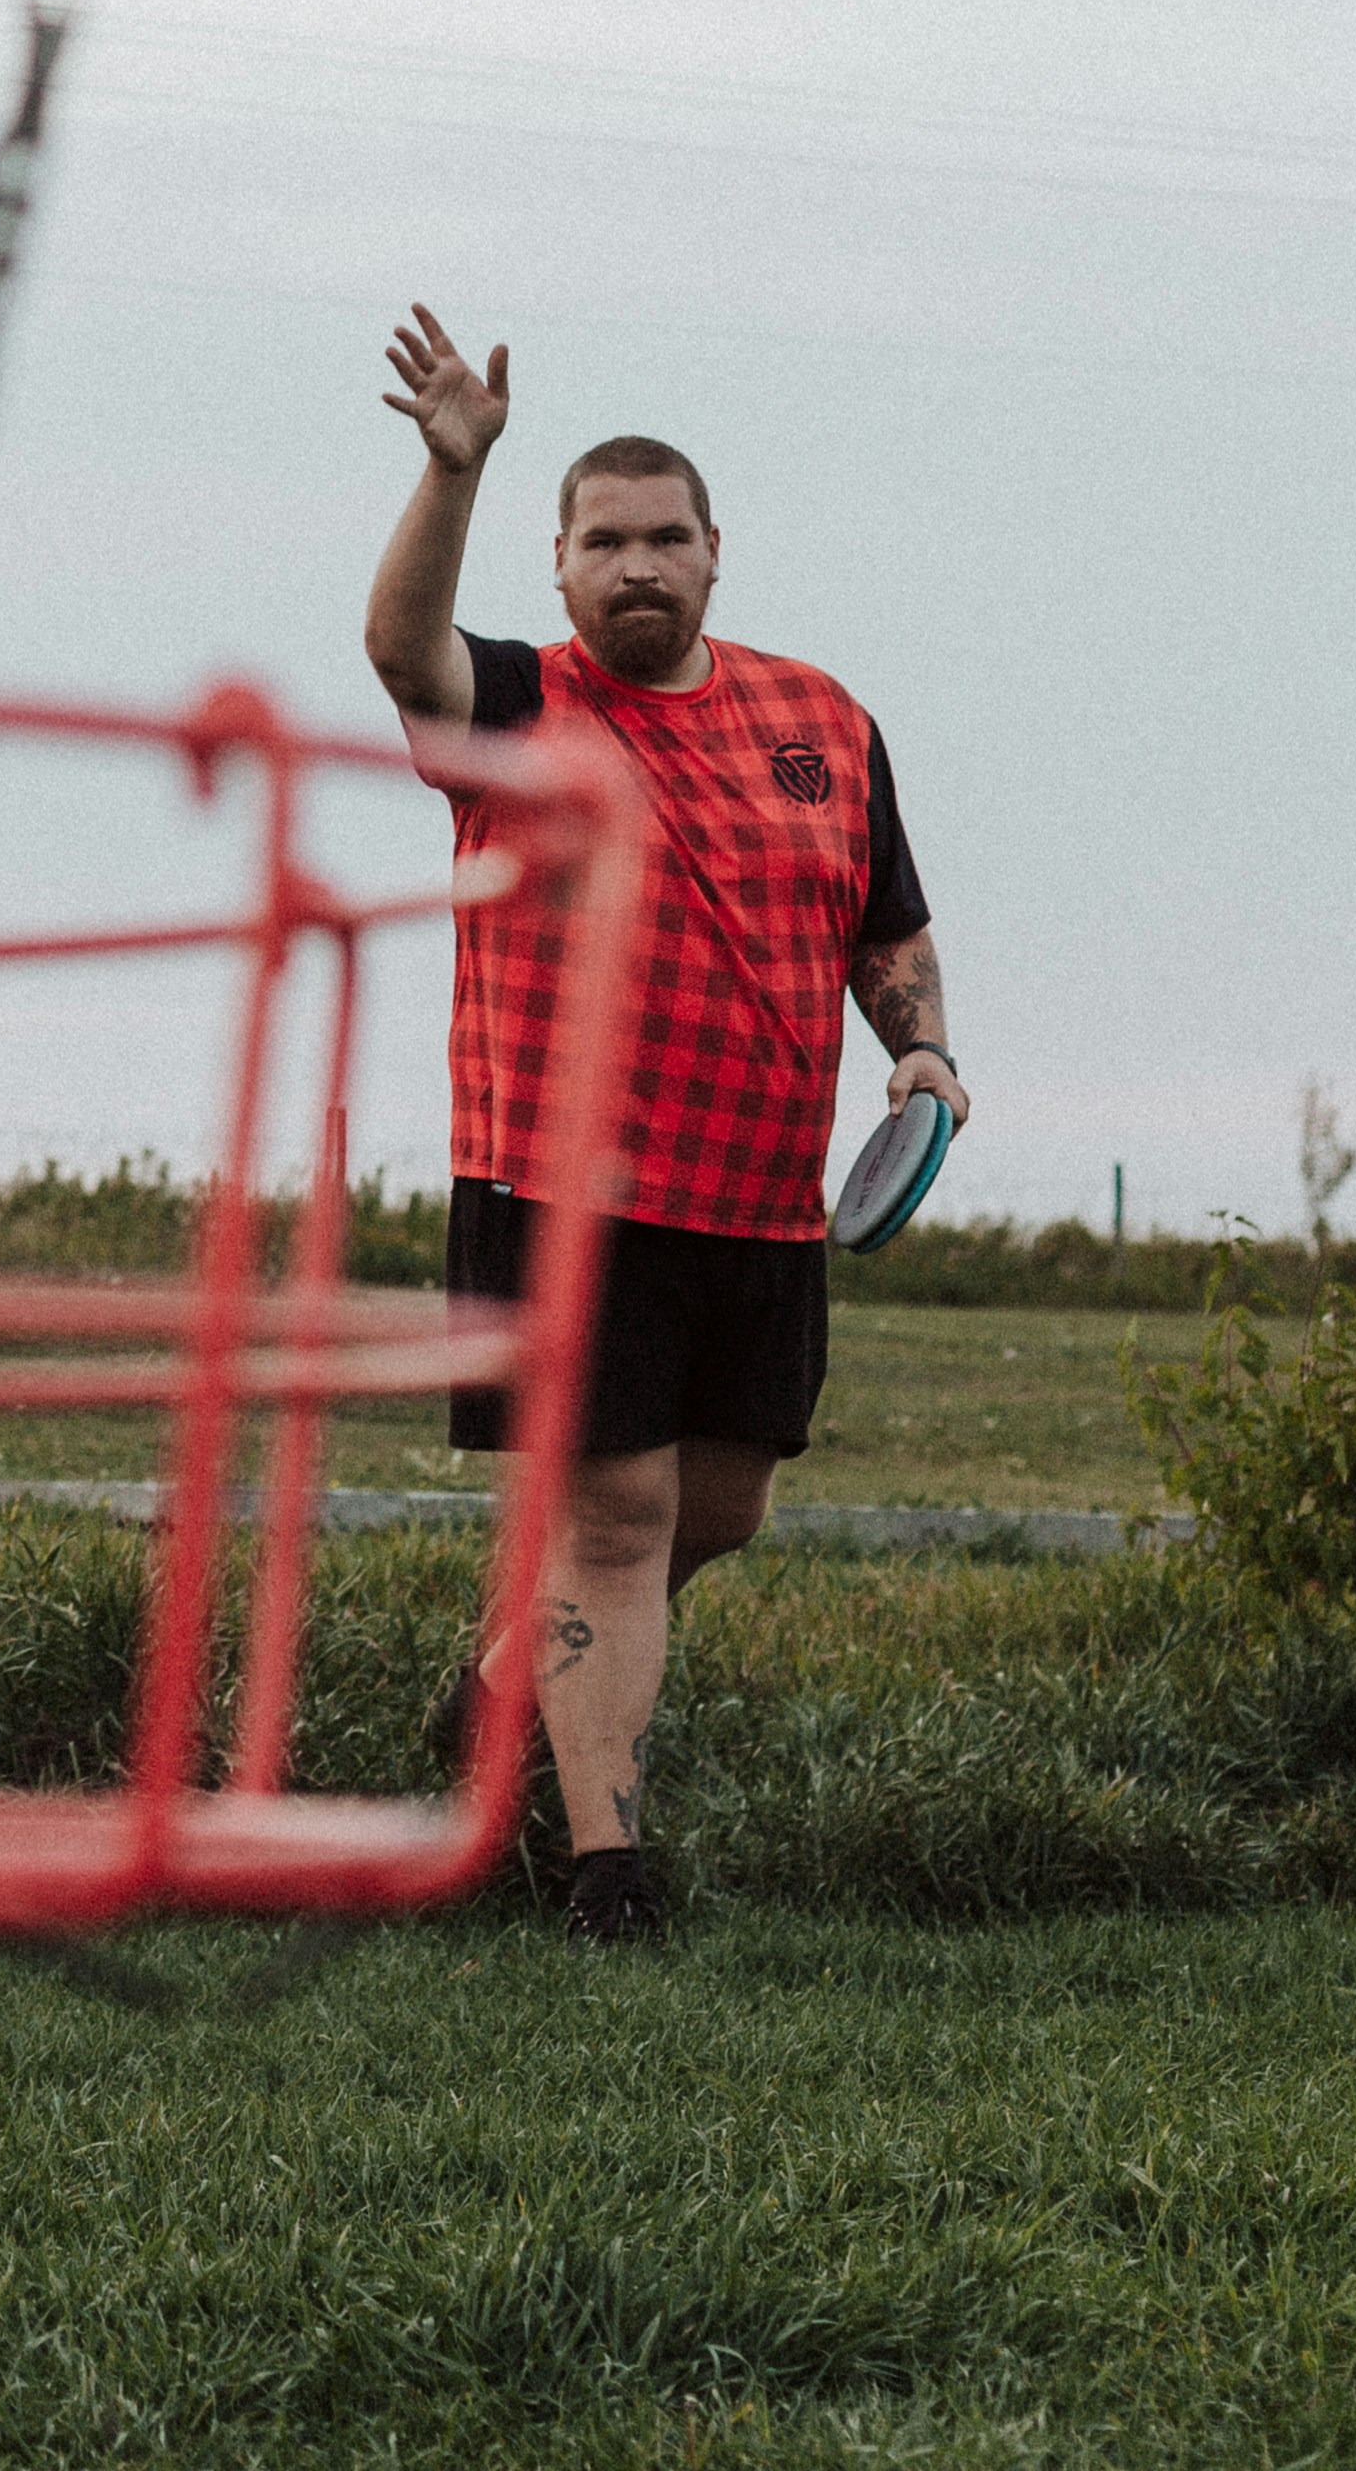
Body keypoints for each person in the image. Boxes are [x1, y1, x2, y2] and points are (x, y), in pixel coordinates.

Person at [360, 302, 964, 1947]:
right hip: (561, 1185)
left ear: (716, 556)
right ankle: (605, 1872)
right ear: (558, 567)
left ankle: (507, 1682)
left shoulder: (826, 724)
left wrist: (919, 1053)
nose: (639, 565)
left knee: (722, 1512)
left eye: (667, 538)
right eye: (605, 541)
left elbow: (882, 925)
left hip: (763, 1200)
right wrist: (451, 471)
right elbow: (398, 651)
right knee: (612, 1524)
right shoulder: (516, 708)